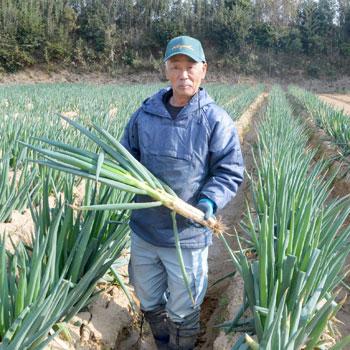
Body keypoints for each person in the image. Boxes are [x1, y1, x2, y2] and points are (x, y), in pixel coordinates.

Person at [121, 35, 244, 350]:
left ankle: (182, 345)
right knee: (147, 297)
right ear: (166, 70)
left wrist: (208, 200)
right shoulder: (145, 115)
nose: (183, 74)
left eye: (190, 67)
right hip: (146, 229)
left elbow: (229, 171)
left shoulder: (215, 120)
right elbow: (125, 159)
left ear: (204, 70)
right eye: (176, 66)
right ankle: (162, 341)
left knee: (184, 305)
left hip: (187, 234)